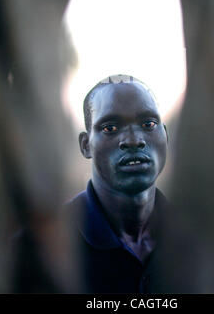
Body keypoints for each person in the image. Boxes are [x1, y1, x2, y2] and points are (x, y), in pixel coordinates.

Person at [67, 74, 170, 293]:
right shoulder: (39, 250)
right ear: (86, 145)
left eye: (149, 124)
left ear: (166, 136)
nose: (134, 140)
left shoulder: (201, 242)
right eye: (110, 128)